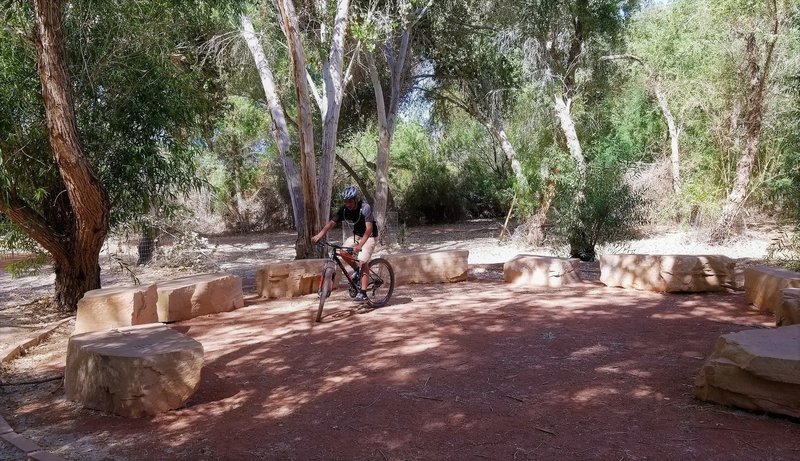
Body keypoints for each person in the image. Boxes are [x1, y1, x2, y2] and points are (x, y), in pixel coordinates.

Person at [311, 186, 378, 302]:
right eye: (345, 202)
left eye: (350, 201)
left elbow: (369, 230)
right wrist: (319, 235)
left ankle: (363, 292)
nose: (348, 204)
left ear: (355, 200)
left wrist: (360, 246)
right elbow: (331, 223)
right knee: (342, 252)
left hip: (370, 236)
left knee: (362, 260)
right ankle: (357, 270)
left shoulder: (365, 208)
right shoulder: (344, 210)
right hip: (357, 235)